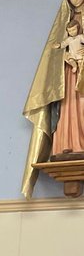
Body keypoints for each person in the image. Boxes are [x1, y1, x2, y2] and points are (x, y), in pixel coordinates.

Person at [22, 0, 84, 194]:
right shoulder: (66, 22)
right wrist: (65, 56)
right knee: (68, 106)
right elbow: (57, 48)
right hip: (68, 72)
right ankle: (67, 144)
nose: (75, 0)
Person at [53, 19, 84, 156]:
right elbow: (61, 45)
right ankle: (68, 141)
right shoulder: (69, 40)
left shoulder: (80, 37)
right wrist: (58, 46)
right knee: (70, 103)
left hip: (81, 62)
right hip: (73, 66)